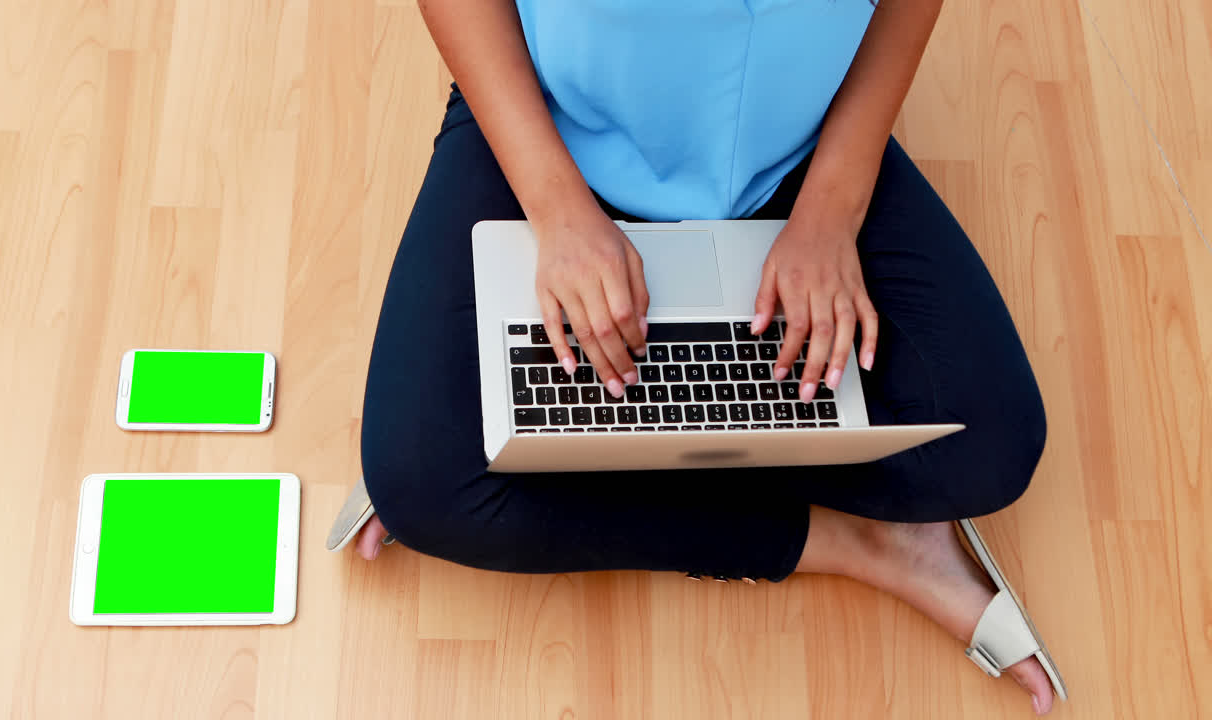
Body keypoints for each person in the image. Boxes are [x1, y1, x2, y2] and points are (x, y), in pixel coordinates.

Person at [357, 0, 1060, 714]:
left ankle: (538, 450)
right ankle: (860, 547)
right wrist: (558, 209)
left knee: (991, 446)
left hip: (795, 151)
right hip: (560, 131)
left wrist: (831, 211)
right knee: (420, 483)